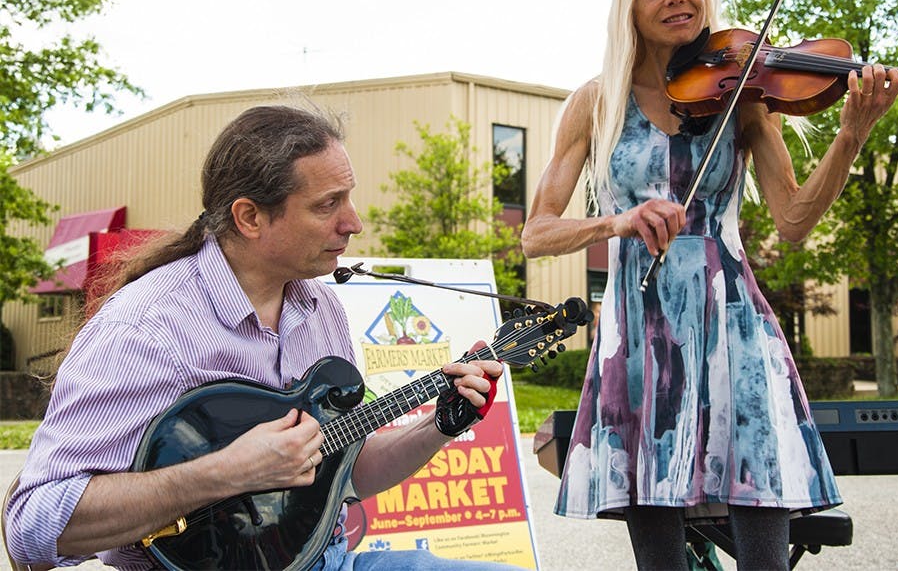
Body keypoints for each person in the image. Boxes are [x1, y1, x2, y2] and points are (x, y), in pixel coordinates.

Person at [520, 0, 898, 570]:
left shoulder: (745, 94)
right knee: (662, 561)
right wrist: (618, 221)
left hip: (733, 326)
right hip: (640, 336)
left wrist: (851, 135)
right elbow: (536, 234)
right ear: (630, 7)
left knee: (764, 548)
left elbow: (794, 220)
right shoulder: (597, 103)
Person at [5, 105, 518, 570]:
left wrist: (438, 427)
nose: (353, 223)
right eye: (328, 204)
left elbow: (346, 475)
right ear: (250, 217)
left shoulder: (322, 310)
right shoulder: (146, 328)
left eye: (350, 198)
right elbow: (32, 527)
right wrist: (223, 473)